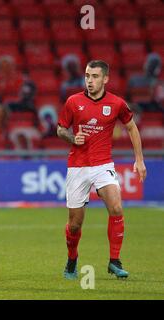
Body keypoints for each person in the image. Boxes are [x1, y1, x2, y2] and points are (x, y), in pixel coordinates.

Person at [57, 60, 147, 280]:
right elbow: (60, 129)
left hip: (103, 165)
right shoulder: (73, 101)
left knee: (116, 207)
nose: (89, 80)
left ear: (105, 79)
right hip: (77, 167)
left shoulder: (116, 103)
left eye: (95, 76)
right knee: (75, 225)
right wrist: (72, 137)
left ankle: (114, 261)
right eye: (87, 76)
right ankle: (72, 259)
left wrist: (139, 160)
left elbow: (131, 127)